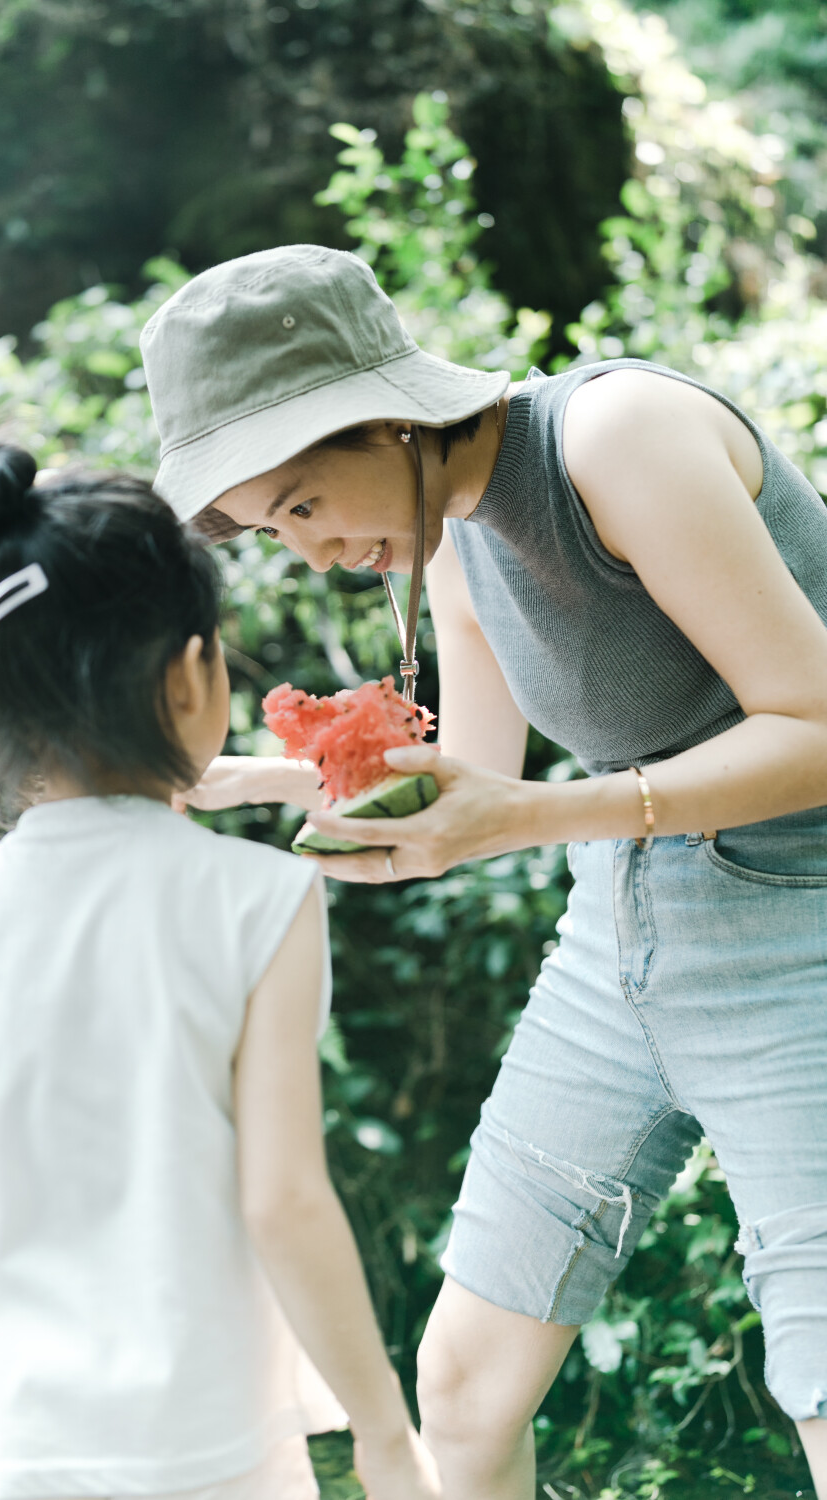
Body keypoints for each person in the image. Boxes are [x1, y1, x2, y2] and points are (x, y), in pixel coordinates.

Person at [139, 243, 827, 1500]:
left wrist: (522, 820)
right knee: (462, 1387)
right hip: (616, 941)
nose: (304, 549)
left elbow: (817, 728)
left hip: (800, 932)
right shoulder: (448, 529)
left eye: (299, 502)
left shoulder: (616, 436)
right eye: (265, 528)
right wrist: (245, 778)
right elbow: (473, 773)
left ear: (384, 416)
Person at [0, 446, 440, 1500]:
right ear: (190, 675)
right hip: (198, 1444)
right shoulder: (258, 900)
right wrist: (381, 1429)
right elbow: (282, 1199)